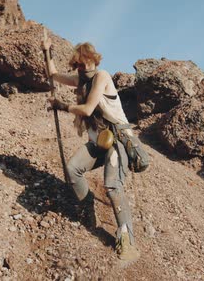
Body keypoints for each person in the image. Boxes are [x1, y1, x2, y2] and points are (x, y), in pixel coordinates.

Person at [43, 39, 140, 263]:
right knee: (72, 168)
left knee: (112, 186)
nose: (82, 67)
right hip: (98, 142)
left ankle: (127, 240)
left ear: (93, 60)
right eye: (78, 64)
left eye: (85, 62)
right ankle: (87, 209)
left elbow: (87, 109)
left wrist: (62, 106)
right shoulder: (79, 80)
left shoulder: (102, 77)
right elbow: (54, 74)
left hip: (117, 141)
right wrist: (46, 51)